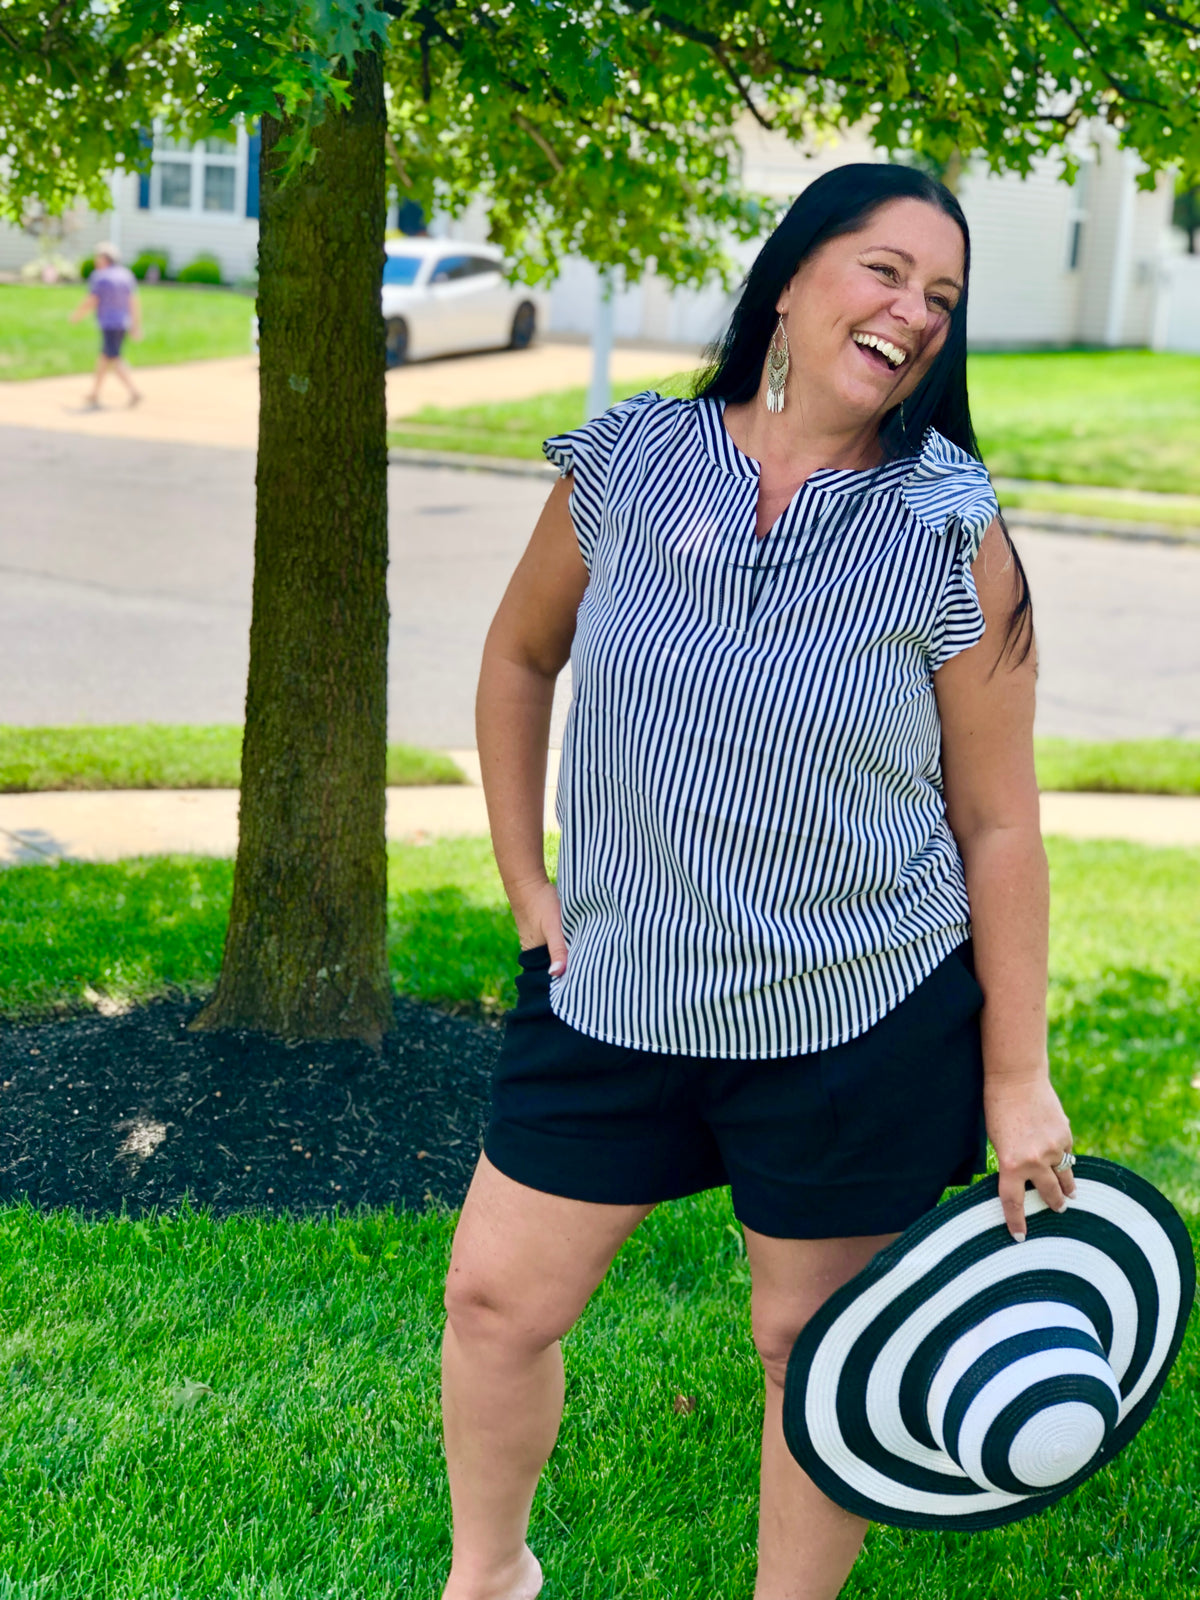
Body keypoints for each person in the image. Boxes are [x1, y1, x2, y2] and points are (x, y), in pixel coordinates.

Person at [443, 163, 1078, 1600]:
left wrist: (1015, 1070)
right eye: (883, 269)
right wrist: (524, 881)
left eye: (942, 298)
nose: (913, 312)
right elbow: (517, 658)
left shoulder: (947, 526)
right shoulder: (624, 464)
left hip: (854, 1010)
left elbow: (999, 826)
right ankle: (488, 1578)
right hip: (613, 988)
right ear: (788, 279)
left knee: (811, 1350)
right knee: (494, 1300)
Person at [69, 242, 143, 408]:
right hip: (123, 322)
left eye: (97, 257)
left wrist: (77, 315)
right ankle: (95, 393)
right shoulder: (126, 275)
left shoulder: (100, 277)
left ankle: (134, 391)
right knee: (104, 359)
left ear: (104, 259)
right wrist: (136, 325)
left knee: (114, 359)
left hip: (109, 324)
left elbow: (92, 300)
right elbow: (133, 302)